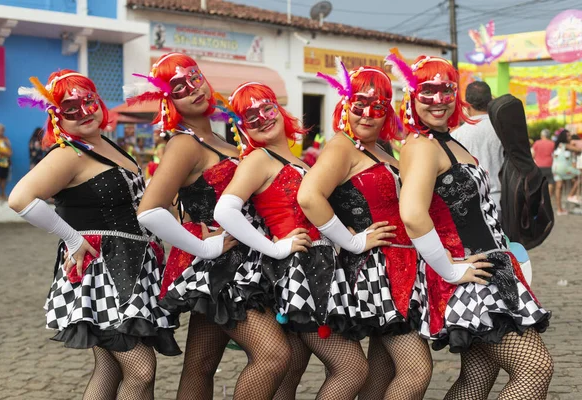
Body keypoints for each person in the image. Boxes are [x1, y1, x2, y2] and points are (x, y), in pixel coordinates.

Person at [9, 70, 180, 400]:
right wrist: (71, 238)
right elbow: (20, 199)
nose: (84, 112)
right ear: (57, 117)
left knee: (111, 367)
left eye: (88, 102)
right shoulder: (67, 154)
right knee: (141, 370)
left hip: (134, 270)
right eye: (70, 109)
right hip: (102, 273)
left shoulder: (107, 145)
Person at [129, 53, 291, 400]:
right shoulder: (184, 144)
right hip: (221, 268)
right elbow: (149, 210)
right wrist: (206, 248)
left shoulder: (222, 141)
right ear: (167, 101)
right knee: (274, 355)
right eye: (178, 87)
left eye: (195, 77)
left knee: (200, 364)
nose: (193, 89)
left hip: (245, 262)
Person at [394, 54, 553, 399]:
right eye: (427, 91)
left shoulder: (446, 139)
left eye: (446, 90)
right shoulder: (421, 147)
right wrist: (449, 270)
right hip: (471, 276)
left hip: (490, 268)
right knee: (535, 368)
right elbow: (411, 213)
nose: (438, 100)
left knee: (477, 378)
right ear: (411, 95)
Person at [214, 81, 377, 399]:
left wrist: (346, 236)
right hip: (298, 273)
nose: (262, 118)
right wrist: (274, 246)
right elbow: (226, 209)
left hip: (315, 270)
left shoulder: (298, 162)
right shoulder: (258, 159)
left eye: (267, 108)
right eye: (251, 116)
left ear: (279, 109)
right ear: (242, 127)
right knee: (351, 368)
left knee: (291, 372)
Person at [298, 63, 432, 399]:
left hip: (400, 267)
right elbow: (309, 197)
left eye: (378, 107)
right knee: (416, 370)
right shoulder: (342, 146)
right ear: (345, 103)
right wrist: (353, 240)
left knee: (381, 370)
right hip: (376, 272)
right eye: (359, 105)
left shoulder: (378, 148)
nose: (367, 115)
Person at [451, 81, 504, 215]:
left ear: (467, 104)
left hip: (471, 206)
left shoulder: (456, 136)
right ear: (490, 100)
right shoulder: (503, 130)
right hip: (503, 202)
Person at [553, 128, 581, 215]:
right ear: (564, 137)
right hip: (564, 168)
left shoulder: (558, 145)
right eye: (568, 135)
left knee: (558, 187)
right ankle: (571, 195)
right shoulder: (565, 145)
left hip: (555, 168)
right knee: (580, 175)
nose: (570, 137)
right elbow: (579, 150)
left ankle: (559, 210)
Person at [532, 128, 556, 197]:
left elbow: (533, 155)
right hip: (548, 165)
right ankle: (548, 197)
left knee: (539, 182)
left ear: (542, 135)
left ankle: (540, 197)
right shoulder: (552, 143)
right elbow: (554, 155)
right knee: (550, 181)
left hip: (538, 166)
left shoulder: (537, 143)